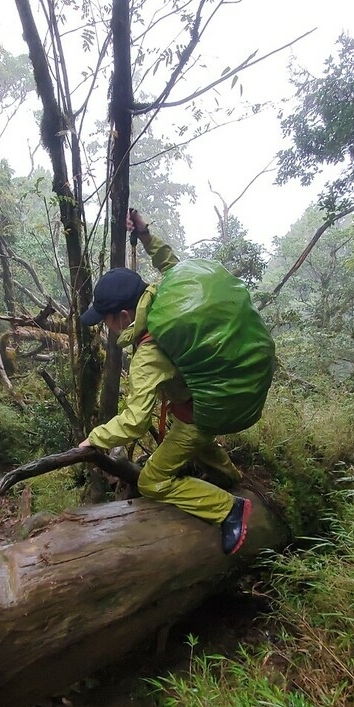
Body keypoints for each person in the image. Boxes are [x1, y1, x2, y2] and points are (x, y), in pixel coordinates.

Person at [78, 209, 252, 556]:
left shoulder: (148, 350)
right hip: (209, 402)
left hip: (198, 413)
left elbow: (135, 422)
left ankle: (228, 508)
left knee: (152, 480)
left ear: (124, 316)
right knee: (190, 435)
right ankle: (229, 476)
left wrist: (93, 440)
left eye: (106, 320)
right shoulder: (169, 293)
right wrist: (145, 234)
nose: (106, 327)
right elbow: (172, 262)